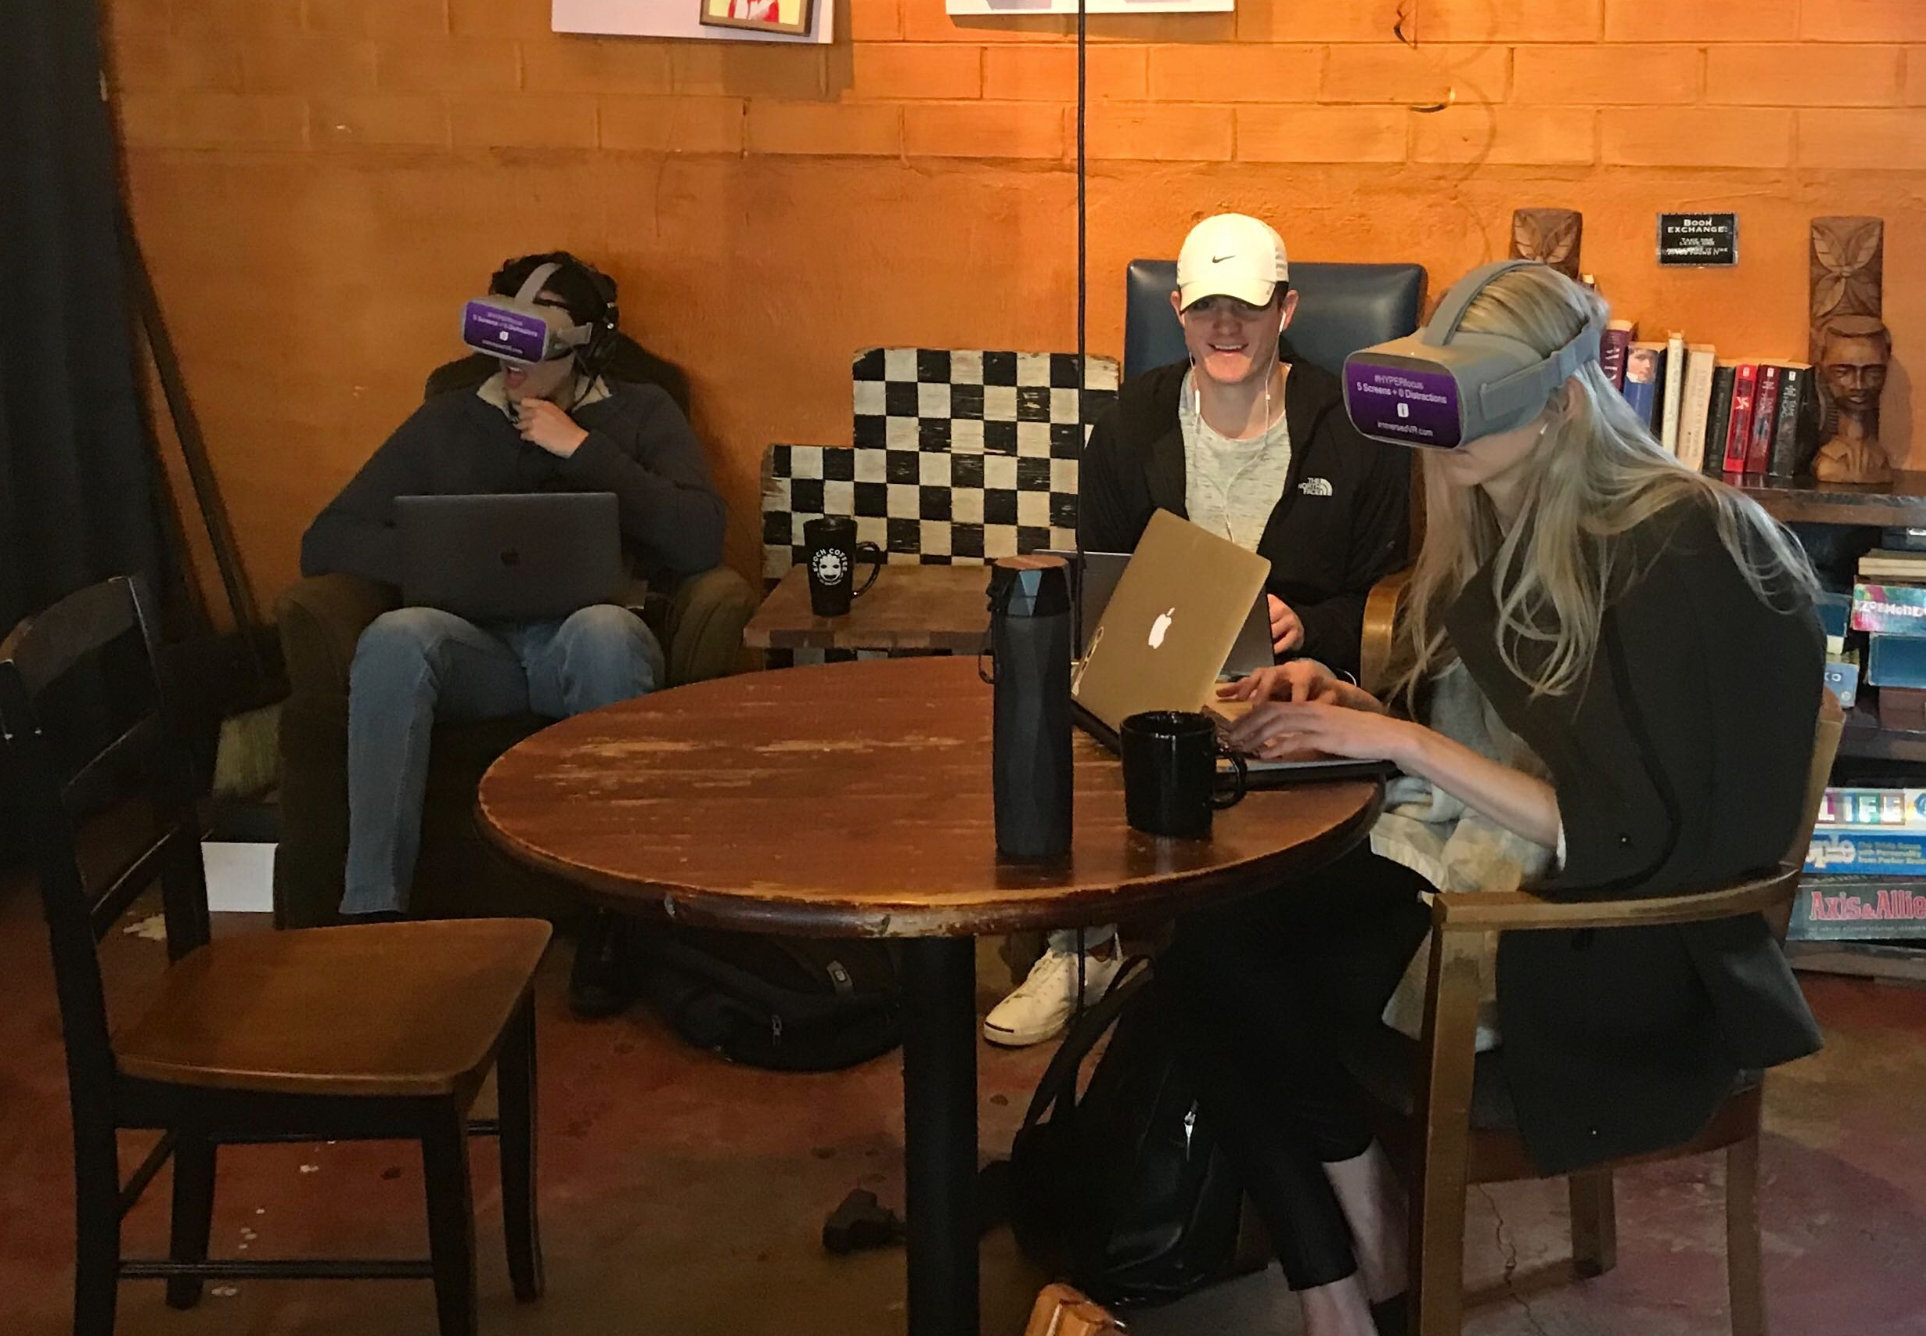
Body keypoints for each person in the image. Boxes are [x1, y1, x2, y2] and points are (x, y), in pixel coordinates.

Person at [1162, 261, 1824, 1336]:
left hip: (1603, 937)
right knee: (1202, 939)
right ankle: (1348, 1258)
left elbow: (1623, 828)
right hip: (1474, 862)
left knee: (1225, 970)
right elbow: (1498, 724)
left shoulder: (1680, 542)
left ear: (1562, 402)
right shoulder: (1495, 506)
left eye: (1478, 399)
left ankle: (1348, 1263)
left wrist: (1398, 739)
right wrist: (1356, 701)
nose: (1446, 432)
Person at [983, 213, 1413, 1048]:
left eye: (1247, 307)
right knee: (1058, 720)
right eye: (1208, 306)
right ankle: (1085, 945)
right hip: (1155, 677)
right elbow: (1102, 574)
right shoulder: (1130, 423)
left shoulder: (1353, 429)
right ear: (1177, 310)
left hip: (1296, 683)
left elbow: (1386, 588)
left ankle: (1239, 961)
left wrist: (1309, 623)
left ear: (1285, 310)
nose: (1226, 326)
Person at [300, 251, 726, 1015]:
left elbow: (699, 539)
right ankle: (371, 912)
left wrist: (584, 449)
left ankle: (616, 923)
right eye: (499, 335)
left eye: (534, 341)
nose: (511, 360)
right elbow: (327, 538)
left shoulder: (642, 412)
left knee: (604, 630)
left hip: (582, 648)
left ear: (585, 346)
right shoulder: (449, 417)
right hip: (478, 652)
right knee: (396, 636)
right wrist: (440, 556)